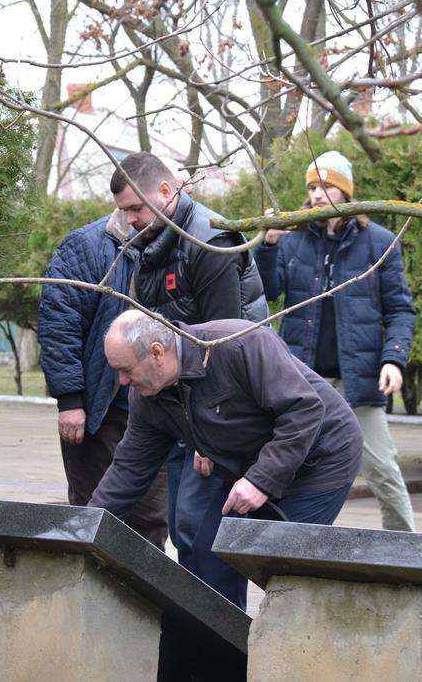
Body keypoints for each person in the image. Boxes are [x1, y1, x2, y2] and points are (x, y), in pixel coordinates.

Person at [88, 310, 363, 609]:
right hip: (249, 463)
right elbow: (129, 468)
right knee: (210, 551)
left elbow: (304, 410)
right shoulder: (147, 398)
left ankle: (289, 646)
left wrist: (261, 480)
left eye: (126, 369)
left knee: (284, 567)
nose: (122, 381)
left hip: (321, 456)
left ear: (157, 352)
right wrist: (84, 529)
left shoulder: (239, 344)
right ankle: (225, 650)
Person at [108, 152, 268, 581]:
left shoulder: (209, 243)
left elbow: (225, 343)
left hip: (219, 411)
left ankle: (222, 639)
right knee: (186, 529)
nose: (130, 220)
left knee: (204, 536)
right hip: (178, 403)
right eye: (124, 212)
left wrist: (207, 437)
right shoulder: (148, 244)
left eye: (136, 209)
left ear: (166, 190)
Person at [254, 150, 418, 532]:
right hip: (302, 381)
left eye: (326, 185)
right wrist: (268, 246)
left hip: (358, 382)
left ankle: (407, 549)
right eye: (312, 186)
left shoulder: (379, 243)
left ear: (345, 192)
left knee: (383, 470)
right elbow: (269, 292)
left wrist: (393, 360)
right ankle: (288, 544)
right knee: (287, 466)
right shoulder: (291, 240)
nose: (316, 194)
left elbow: (400, 310)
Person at [37, 209, 168, 549]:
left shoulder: (183, 244)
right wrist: (70, 400)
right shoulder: (86, 246)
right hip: (100, 409)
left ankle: (145, 597)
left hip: (160, 408)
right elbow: (58, 325)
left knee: (152, 517)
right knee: (91, 511)